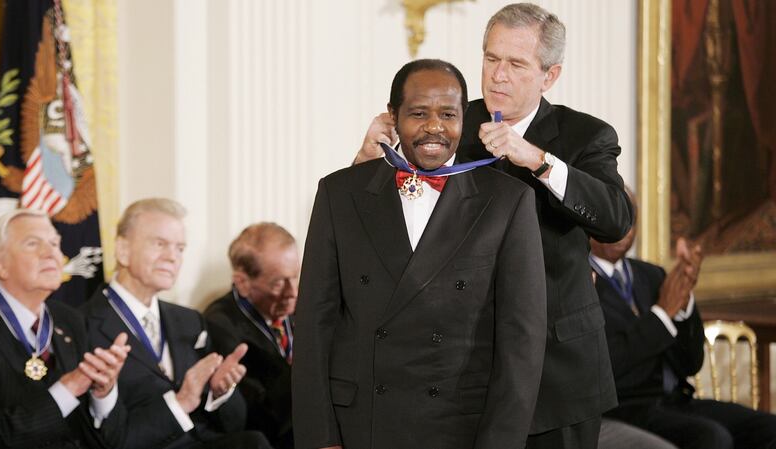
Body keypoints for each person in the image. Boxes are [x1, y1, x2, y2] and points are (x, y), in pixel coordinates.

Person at [353, 4, 634, 448]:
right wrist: (366, 161)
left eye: (516, 63)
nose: (497, 75)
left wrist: (537, 161)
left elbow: (615, 220)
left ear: (550, 75)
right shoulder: (447, 123)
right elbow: (381, 219)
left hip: (556, 373)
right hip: (457, 370)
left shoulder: (586, 135)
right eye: (491, 58)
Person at [293, 58, 547, 449]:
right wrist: (320, 437)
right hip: (361, 426)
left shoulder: (507, 201)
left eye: (448, 114)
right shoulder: (339, 193)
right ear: (392, 116)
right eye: (417, 113)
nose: (434, 127)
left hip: (459, 428)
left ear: (464, 118)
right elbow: (313, 325)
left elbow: (522, 343)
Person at [590, 191, 776, 449]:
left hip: (676, 401)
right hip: (625, 409)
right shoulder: (582, 283)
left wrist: (684, 304)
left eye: (629, 216)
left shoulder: (652, 275)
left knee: (768, 428)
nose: (623, 226)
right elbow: (610, 368)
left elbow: (690, 363)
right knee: (711, 438)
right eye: (614, 216)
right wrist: (662, 315)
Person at [82, 198, 272, 449]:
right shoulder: (82, 325)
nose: (172, 257)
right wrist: (180, 401)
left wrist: (219, 392)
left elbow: (235, 424)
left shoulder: (190, 321)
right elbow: (102, 438)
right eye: (160, 244)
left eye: (180, 248)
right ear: (122, 250)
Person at [0, 208, 129, 449]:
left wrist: (103, 394)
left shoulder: (69, 319)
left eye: (55, 244)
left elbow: (110, 439)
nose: (51, 254)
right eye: (32, 243)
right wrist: (68, 389)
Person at [204, 222, 299, 449]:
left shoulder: (303, 305)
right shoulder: (220, 325)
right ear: (243, 283)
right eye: (278, 283)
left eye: (296, 276)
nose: (292, 292)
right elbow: (257, 413)